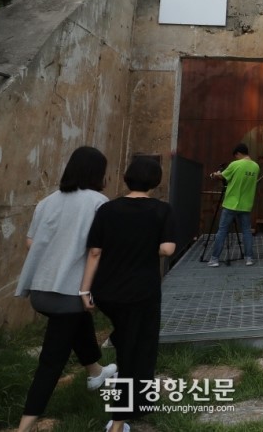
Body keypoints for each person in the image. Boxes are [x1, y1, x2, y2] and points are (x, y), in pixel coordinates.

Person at [15, 146, 117, 432]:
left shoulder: (46, 202)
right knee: (51, 361)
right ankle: (25, 427)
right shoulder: (99, 202)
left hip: (40, 291)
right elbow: (99, 250)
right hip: (71, 294)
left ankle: (96, 373)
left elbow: (30, 244)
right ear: (98, 173)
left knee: (76, 324)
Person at [80, 156, 176, 432]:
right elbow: (168, 249)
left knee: (126, 340)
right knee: (137, 352)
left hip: (107, 290)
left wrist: (85, 289)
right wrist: (147, 245)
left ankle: (140, 402)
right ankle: (119, 420)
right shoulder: (161, 210)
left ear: (126, 178)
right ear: (155, 182)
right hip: (141, 292)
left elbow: (95, 252)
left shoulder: (107, 209)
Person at [208, 142, 260, 267]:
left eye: (236, 156)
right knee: (246, 231)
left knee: (222, 231)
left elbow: (223, 177)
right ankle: (249, 258)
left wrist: (214, 175)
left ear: (238, 154)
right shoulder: (256, 167)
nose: (235, 158)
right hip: (246, 205)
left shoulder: (235, 164)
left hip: (231, 204)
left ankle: (214, 259)